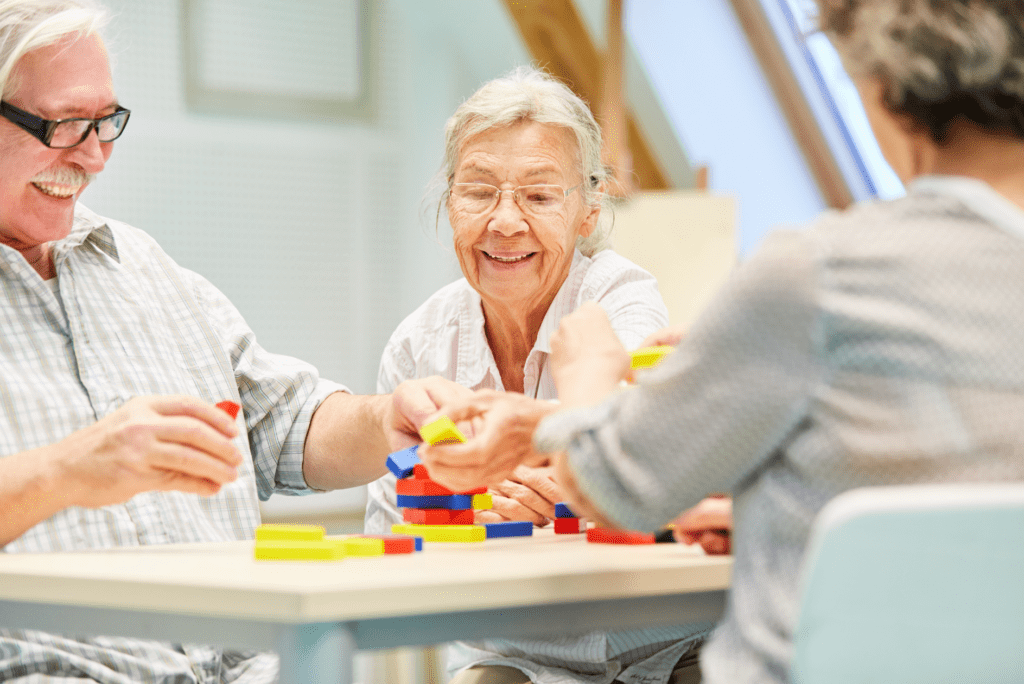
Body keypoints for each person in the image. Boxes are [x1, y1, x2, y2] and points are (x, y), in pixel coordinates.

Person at [414, 1, 1024, 683]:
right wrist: (761, 514)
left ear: (883, 86)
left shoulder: (815, 277)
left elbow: (615, 484)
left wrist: (586, 379)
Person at [0, 1, 458, 681]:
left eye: (106, 123)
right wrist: (67, 471)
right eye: (66, 124)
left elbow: (285, 423)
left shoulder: (144, 267)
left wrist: (386, 421)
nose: (94, 156)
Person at [364, 67, 718, 684]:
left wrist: (577, 480)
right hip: (513, 653)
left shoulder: (618, 295)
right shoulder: (419, 344)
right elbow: (392, 536)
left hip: (660, 645)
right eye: (478, 190)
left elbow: (623, 444)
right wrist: (456, 522)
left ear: (588, 210)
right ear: (450, 201)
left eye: (539, 194)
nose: (505, 222)